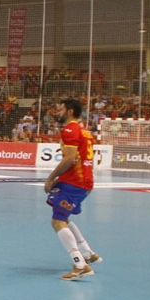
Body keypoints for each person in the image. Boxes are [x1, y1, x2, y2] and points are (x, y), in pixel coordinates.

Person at [44, 98, 101, 279]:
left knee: (57, 221)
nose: (58, 112)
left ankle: (80, 265)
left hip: (74, 182)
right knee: (63, 217)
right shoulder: (84, 131)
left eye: (60, 109)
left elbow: (69, 158)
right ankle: (87, 253)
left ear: (69, 112)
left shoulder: (70, 129)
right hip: (82, 180)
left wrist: (51, 178)